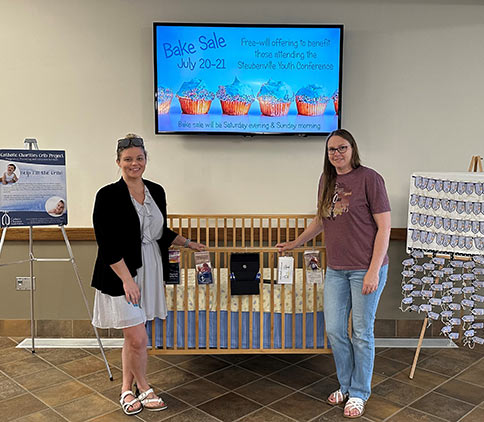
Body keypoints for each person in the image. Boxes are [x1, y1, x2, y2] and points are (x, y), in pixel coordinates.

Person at [276, 129, 391, 418]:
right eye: (331, 150)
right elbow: (321, 219)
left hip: (366, 268)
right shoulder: (326, 180)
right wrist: (295, 243)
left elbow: (385, 227)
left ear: (353, 149)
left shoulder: (370, 179)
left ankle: (359, 392)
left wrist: (373, 271)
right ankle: (346, 384)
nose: (337, 153)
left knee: (361, 332)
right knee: (335, 330)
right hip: (337, 270)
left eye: (342, 148)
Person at [91, 133, 205, 416]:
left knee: (133, 337)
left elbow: (158, 232)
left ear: (146, 160)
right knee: (139, 338)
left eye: (139, 158)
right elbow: (107, 243)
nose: (134, 163)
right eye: (128, 159)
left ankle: (126, 389)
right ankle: (144, 387)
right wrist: (127, 279)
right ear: (118, 161)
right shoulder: (107, 195)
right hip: (120, 273)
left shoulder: (156, 191)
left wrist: (188, 243)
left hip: (150, 267)